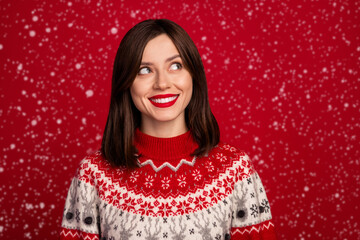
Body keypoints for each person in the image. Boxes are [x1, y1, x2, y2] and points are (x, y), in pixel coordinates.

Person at [60, 19, 277, 240]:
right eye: (144, 70)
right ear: (126, 82)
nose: (162, 83)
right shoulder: (92, 175)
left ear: (193, 74)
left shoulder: (235, 171)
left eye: (176, 66)